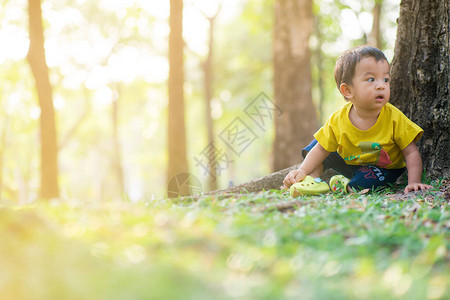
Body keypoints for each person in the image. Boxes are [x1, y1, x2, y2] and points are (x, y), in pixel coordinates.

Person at [283, 45, 433, 195]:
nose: (381, 86)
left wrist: (413, 181)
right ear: (348, 90)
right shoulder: (338, 119)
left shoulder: (394, 118)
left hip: (381, 168)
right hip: (348, 160)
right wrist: (302, 170)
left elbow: (411, 152)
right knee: (318, 145)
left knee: (365, 183)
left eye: (386, 79)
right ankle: (311, 180)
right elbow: (322, 150)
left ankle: (344, 186)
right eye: (371, 79)